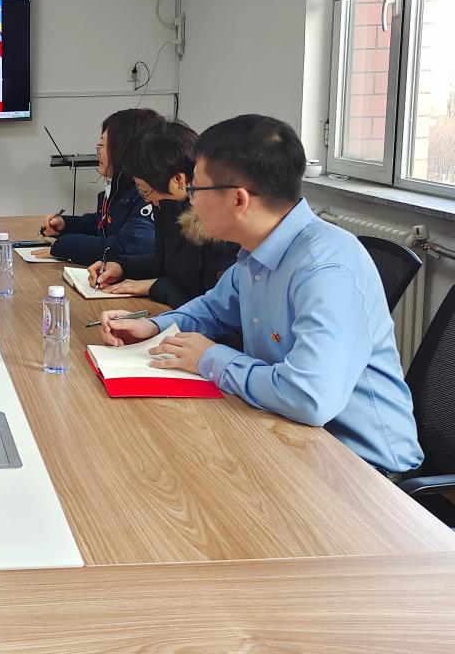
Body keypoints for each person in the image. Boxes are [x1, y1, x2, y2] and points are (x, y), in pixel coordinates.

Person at [98, 114, 422, 474]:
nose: (190, 201)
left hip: (363, 469)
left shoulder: (326, 269)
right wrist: (155, 327)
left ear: (238, 200)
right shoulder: (257, 251)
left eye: (196, 190)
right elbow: (214, 309)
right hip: (289, 435)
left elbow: (309, 397)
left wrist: (209, 358)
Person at [86, 118, 238, 308]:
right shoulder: (169, 206)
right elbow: (168, 263)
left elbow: (212, 307)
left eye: (144, 190)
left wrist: (154, 286)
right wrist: (122, 267)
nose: (146, 199)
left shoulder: (216, 226)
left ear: (178, 180)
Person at [35, 108, 160, 265]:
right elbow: (103, 225)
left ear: (127, 150)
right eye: (99, 144)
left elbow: (126, 248)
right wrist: (65, 225)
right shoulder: (120, 187)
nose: (98, 152)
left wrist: (63, 245)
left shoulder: (149, 194)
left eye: (104, 145)